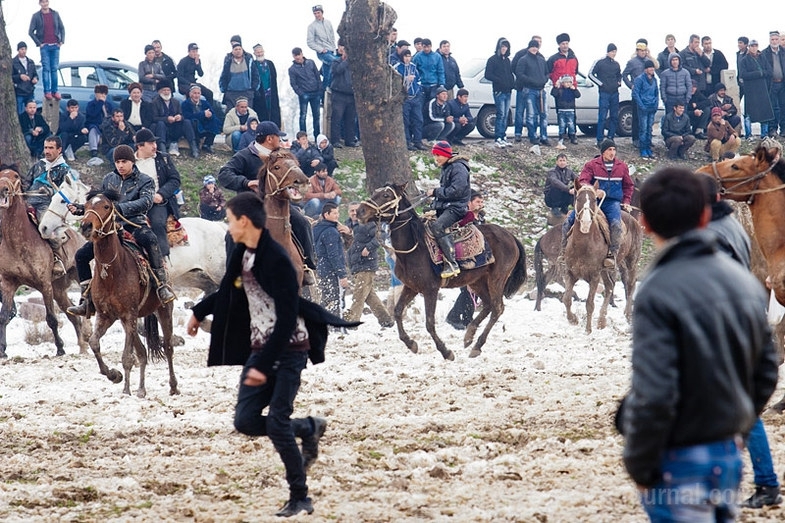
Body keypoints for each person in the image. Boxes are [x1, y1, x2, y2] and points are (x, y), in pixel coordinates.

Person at [620, 167, 779, 521]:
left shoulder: (657, 289)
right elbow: (767, 368)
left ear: (644, 224)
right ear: (707, 214)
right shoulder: (744, 281)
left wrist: (639, 464)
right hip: (726, 453)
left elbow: (655, 392)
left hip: (677, 455)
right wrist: (736, 419)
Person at [186, 192, 355, 518]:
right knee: (245, 420)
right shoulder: (243, 252)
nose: (228, 227)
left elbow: (289, 316)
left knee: (277, 424)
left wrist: (263, 365)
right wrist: (200, 311)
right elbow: (230, 289)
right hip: (261, 348)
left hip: (289, 349)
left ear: (245, 221)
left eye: (230, 220)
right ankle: (307, 427)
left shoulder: (275, 259)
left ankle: (300, 496)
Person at [67, 145, 176, 316]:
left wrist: (119, 208)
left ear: (132, 162)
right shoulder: (109, 179)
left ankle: (161, 286)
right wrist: (81, 209)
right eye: (117, 162)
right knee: (81, 255)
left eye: (124, 161)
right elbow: (99, 204)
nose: (120, 165)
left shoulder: (145, 180)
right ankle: (86, 299)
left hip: (135, 224)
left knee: (151, 240)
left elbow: (146, 202)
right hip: (111, 228)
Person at [216, 120, 316, 277]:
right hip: (252, 207)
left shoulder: (281, 155)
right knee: (231, 236)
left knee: (302, 223)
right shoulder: (244, 155)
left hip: (279, 206)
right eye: (278, 137)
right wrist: (246, 182)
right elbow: (224, 174)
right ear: (270, 138)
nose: (281, 140)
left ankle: (307, 265)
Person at [561, 139, 633, 269]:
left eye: (614, 150)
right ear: (603, 152)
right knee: (568, 221)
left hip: (611, 202)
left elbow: (628, 186)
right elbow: (583, 181)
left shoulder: (622, 166)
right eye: (609, 150)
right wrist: (593, 190)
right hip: (593, 201)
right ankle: (563, 250)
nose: (612, 153)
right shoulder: (591, 165)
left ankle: (612, 254)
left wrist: (626, 201)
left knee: (616, 225)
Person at [25, 135, 76, 277]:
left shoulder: (64, 170)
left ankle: (57, 258)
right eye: (45, 147)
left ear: (59, 150)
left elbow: (67, 192)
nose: (47, 151)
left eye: (51, 148)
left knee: (46, 227)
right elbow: (26, 182)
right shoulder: (38, 165)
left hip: (47, 205)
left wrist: (51, 191)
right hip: (28, 200)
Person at [133, 128, 181, 266]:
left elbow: (175, 180)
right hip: (135, 203)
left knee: (158, 223)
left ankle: (162, 260)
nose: (155, 146)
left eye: (155, 143)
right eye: (151, 143)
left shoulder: (163, 158)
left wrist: (161, 194)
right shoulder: (130, 162)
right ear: (140, 146)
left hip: (157, 203)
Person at [344, 202, 394, 328]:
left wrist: (369, 247)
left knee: (359, 294)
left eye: (356, 210)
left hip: (367, 263)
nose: (354, 213)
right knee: (369, 295)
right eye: (351, 211)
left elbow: (381, 235)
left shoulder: (369, 222)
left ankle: (352, 321)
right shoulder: (347, 225)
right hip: (355, 264)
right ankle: (386, 319)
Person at [426, 141, 470, 278]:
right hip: (448, 206)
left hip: (456, 208)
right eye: (435, 156)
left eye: (438, 155)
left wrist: (436, 192)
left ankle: (451, 263)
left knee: (438, 226)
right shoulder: (448, 167)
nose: (436, 159)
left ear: (446, 154)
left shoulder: (458, 167)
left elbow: (456, 191)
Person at [445, 191, 485, 330]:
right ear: (469, 203)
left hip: (477, 255)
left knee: (473, 290)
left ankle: (466, 318)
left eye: (481, 202)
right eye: (477, 202)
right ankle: (454, 317)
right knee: (468, 289)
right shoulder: (465, 218)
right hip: (464, 255)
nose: (480, 204)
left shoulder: (480, 218)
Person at [313, 202, 350, 316]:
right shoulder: (331, 232)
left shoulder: (317, 229)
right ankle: (337, 326)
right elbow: (334, 255)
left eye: (338, 212)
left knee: (327, 297)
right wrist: (342, 274)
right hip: (331, 269)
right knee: (336, 299)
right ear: (326, 215)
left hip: (322, 267)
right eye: (334, 213)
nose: (337, 215)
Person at [514, 39, 550, 146]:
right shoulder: (523, 59)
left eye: (536, 47)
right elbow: (519, 74)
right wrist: (531, 81)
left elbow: (547, 73)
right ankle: (533, 136)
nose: (534, 49)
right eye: (532, 47)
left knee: (543, 114)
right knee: (531, 114)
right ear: (529, 47)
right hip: (529, 90)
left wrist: (544, 79)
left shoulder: (541, 60)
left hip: (541, 90)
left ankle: (544, 136)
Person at [151, 79, 198, 158]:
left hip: (176, 128)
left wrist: (180, 117)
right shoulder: (155, 102)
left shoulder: (175, 102)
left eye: (168, 90)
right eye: (164, 90)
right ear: (159, 92)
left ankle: (194, 148)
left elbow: (182, 114)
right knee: (160, 124)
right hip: (163, 129)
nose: (166, 92)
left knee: (186, 122)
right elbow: (154, 118)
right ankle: (163, 150)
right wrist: (166, 119)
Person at [28, 0, 64, 101]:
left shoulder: (55, 14)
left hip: (55, 45)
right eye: (43, 2)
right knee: (46, 69)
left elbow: (62, 28)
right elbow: (30, 32)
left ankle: (55, 91)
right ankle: (47, 91)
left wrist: (61, 41)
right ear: (40, 3)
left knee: (54, 69)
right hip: (45, 46)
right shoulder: (36, 16)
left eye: (46, 2)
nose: (45, 4)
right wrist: (39, 43)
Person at [739, 40, 775, 139]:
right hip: (750, 90)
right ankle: (748, 134)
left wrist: (761, 73)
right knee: (748, 113)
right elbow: (743, 74)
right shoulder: (744, 60)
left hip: (762, 89)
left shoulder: (762, 58)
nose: (754, 48)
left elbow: (770, 71)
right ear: (749, 47)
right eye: (752, 46)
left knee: (765, 112)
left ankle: (764, 134)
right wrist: (758, 74)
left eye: (755, 46)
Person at [485, 37, 515, 148]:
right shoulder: (492, 60)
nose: (504, 49)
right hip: (499, 91)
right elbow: (487, 74)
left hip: (508, 91)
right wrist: (499, 80)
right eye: (502, 46)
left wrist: (512, 84)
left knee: (506, 115)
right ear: (498, 47)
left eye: (506, 47)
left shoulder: (507, 61)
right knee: (500, 114)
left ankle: (503, 136)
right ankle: (498, 137)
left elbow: (510, 74)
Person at [589, 43, 621, 145]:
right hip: (604, 93)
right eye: (612, 51)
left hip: (615, 92)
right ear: (608, 52)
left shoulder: (616, 64)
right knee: (602, 117)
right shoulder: (600, 62)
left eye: (615, 51)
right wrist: (601, 84)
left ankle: (611, 137)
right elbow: (590, 74)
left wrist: (619, 82)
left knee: (614, 116)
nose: (614, 53)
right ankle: (600, 139)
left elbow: (619, 75)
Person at [289, 47, 322, 140]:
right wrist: (301, 93)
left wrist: (319, 89)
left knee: (317, 116)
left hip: (315, 93)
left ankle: (317, 136)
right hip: (304, 94)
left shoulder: (311, 62)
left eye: (298, 55)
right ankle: (303, 137)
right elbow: (293, 83)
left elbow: (317, 75)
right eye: (295, 56)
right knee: (303, 116)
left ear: (302, 54)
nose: (297, 58)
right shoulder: (292, 69)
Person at [329, 40, 358, 148]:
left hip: (351, 94)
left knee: (350, 119)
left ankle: (349, 140)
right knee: (337, 117)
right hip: (339, 94)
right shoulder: (336, 61)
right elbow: (337, 71)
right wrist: (346, 61)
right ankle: (335, 140)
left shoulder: (354, 64)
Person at [395, 48, 425, 151]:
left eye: (409, 56)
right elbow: (395, 82)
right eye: (405, 56)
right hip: (405, 98)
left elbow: (419, 80)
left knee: (418, 120)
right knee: (406, 121)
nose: (407, 58)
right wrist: (405, 79)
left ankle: (418, 141)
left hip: (415, 97)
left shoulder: (413, 67)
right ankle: (407, 141)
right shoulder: (398, 67)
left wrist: (418, 90)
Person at [306, 4, 339, 93]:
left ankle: (323, 93)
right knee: (336, 62)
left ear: (322, 12)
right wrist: (321, 49)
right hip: (322, 52)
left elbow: (332, 36)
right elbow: (310, 42)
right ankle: (331, 86)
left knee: (326, 73)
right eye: (315, 13)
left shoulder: (328, 22)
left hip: (331, 50)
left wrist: (334, 49)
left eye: (318, 13)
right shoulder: (312, 27)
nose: (317, 15)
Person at [220, 37, 259, 110]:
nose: (238, 51)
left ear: (242, 49)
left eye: (239, 49)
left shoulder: (249, 60)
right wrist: (224, 89)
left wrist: (253, 88)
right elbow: (223, 77)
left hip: (247, 93)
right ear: (232, 51)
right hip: (231, 94)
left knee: (247, 115)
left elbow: (256, 75)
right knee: (231, 115)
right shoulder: (228, 61)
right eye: (236, 49)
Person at [182, 84, 221, 155]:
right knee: (193, 122)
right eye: (194, 93)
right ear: (190, 94)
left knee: (215, 120)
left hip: (204, 124)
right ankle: (195, 145)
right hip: (193, 127)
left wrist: (210, 115)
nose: (196, 95)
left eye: (198, 93)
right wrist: (202, 114)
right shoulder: (185, 104)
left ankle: (207, 144)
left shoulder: (205, 103)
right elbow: (187, 116)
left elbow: (212, 112)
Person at [632, 60, 659, 159]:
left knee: (649, 129)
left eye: (653, 67)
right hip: (643, 108)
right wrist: (641, 105)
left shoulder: (654, 80)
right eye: (650, 67)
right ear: (645, 69)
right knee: (643, 129)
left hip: (652, 107)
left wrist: (656, 104)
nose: (652, 69)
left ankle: (648, 148)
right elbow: (635, 93)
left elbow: (656, 93)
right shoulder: (639, 79)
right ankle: (643, 149)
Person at [251, 43, 281, 126]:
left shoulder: (270, 63)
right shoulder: (253, 64)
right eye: (258, 52)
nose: (260, 54)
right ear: (254, 53)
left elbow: (274, 77)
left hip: (271, 93)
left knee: (273, 112)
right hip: (259, 94)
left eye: (261, 52)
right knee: (261, 113)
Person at [762, 31, 785, 137]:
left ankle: (783, 129)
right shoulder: (764, 53)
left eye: (776, 39)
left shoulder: (783, 52)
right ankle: (773, 128)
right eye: (772, 39)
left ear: (779, 40)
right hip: (771, 84)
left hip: (782, 83)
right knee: (773, 107)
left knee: (783, 106)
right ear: (769, 40)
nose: (774, 41)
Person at [412, 38, 445, 109]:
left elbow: (440, 71)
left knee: (432, 106)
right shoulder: (417, 57)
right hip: (422, 85)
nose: (426, 49)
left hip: (433, 85)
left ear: (431, 46)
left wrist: (441, 84)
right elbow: (413, 70)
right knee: (420, 105)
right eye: (424, 47)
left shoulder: (437, 57)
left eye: (428, 47)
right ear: (422, 46)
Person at [85, 84, 114, 164]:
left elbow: (110, 115)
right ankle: (93, 149)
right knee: (94, 130)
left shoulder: (108, 104)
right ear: (96, 94)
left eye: (104, 94)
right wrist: (100, 103)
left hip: (106, 123)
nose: (102, 96)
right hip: (94, 123)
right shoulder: (91, 104)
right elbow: (93, 114)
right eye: (100, 93)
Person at [544, 152, 577, 220]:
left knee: (574, 188)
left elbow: (578, 180)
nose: (562, 162)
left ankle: (565, 207)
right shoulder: (552, 171)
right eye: (560, 161)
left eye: (564, 160)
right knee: (556, 186)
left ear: (566, 162)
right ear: (557, 162)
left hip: (563, 196)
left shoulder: (569, 172)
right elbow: (555, 182)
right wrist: (568, 190)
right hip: (551, 197)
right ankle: (555, 207)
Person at [550, 75, 581, 149]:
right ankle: (561, 137)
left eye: (569, 82)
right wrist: (555, 87)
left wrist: (575, 89)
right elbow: (553, 94)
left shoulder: (572, 90)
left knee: (571, 125)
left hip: (570, 110)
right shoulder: (560, 90)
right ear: (562, 83)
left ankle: (573, 137)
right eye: (565, 82)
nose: (567, 84)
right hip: (561, 110)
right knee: (562, 125)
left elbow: (578, 95)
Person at [12, 41, 38, 115]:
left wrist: (35, 79)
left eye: (25, 49)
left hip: (30, 91)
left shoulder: (31, 62)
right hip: (19, 91)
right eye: (22, 49)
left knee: (32, 112)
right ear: (18, 50)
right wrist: (20, 77)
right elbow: (11, 76)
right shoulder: (13, 62)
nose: (24, 51)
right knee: (20, 113)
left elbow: (35, 74)